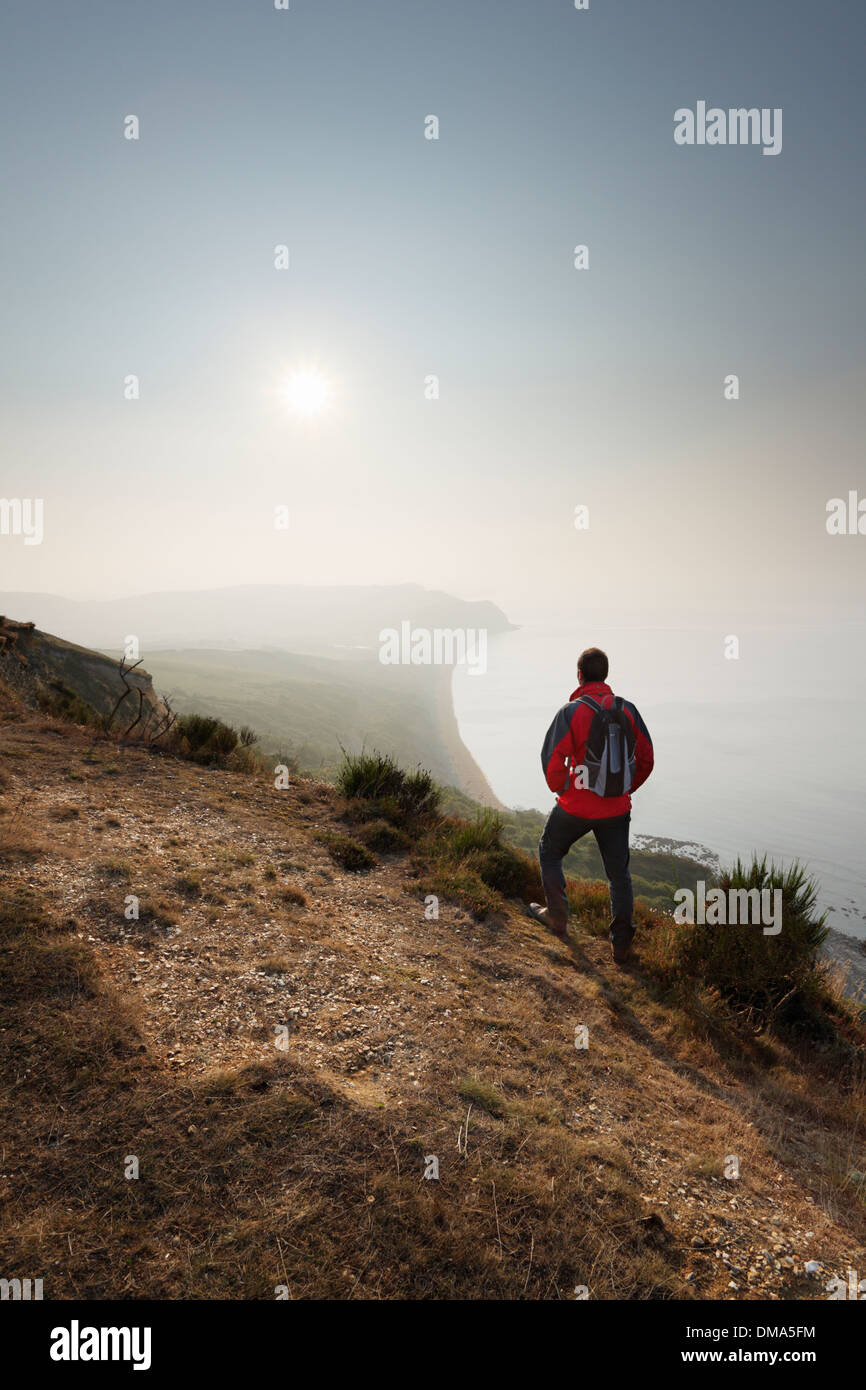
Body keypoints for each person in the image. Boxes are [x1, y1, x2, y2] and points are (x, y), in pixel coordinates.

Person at [528, 647, 654, 963]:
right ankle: (622, 947)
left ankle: (557, 916)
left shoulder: (571, 712)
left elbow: (552, 758)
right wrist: (623, 789)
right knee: (619, 876)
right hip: (616, 809)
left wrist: (564, 787)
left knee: (550, 851)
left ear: (580, 675)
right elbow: (646, 759)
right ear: (606, 675)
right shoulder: (628, 710)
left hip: (575, 806)